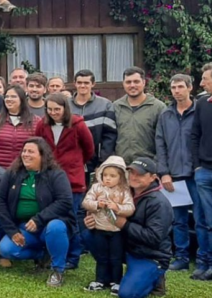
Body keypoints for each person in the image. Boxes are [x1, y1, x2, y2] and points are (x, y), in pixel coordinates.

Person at [82, 157, 173, 298]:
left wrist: (124, 224)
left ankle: (156, 278)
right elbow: (89, 204)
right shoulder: (122, 189)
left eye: (140, 174)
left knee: (127, 293)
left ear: (153, 177)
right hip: (125, 245)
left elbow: (154, 238)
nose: (134, 177)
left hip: (149, 255)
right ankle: (106, 277)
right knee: (89, 235)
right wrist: (91, 220)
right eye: (132, 172)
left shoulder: (159, 203)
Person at [0, 137, 74, 287]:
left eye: (31, 151)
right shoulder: (12, 173)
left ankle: (57, 270)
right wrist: (12, 231)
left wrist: (39, 219)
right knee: (6, 250)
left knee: (56, 227)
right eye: (24, 151)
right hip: (24, 228)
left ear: (42, 156)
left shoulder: (56, 174)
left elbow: (65, 201)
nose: (25, 154)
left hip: (48, 226)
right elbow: (0, 201)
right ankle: (43, 255)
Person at [35, 92, 94, 270]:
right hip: (47, 178)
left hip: (72, 180)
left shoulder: (78, 125)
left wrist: (75, 163)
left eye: (57, 109)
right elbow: (37, 146)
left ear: (65, 108)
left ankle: (73, 257)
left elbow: (89, 149)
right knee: (48, 217)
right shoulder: (42, 125)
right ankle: (48, 253)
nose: (53, 112)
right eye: (50, 109)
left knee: (72, 219)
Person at [155, 74, 203, 272]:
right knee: (178, 220)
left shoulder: (201, 111)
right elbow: (160, 144)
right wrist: (164, 172)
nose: (177, 91)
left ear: (190, 88)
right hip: (173, 175)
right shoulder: (165, 115)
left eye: (180, 87)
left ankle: (203, 259)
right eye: (173, 87)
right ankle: (181, 258)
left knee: (202, 220)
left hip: (197, 174)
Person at [80, 156, 135, 294]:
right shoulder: (96, 188)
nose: (108, 179)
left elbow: (130, 208)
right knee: (101, 257)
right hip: (99, 229)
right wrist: (97, 204)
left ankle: (116, 281)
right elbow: (85, 202)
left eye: (112, 176)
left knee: (116, 258)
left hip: (116, 231)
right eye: (105, 175)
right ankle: (100, 280)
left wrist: (117, 207)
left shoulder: (124, 191)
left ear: (121, 177)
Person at [69, 69, 117, 183]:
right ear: (74, 84)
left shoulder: (105, 105)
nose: (82, 86)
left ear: (93, 84)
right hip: (71, 162)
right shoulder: (65, 105)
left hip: (95, 162)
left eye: (86, 83)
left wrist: (102, 162)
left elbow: (109, 136)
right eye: (79, 83)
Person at [114, 67, 166, 163]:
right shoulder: (116, 107)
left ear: (144, 82)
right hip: (121, 166)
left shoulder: (158, 107)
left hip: (148, 167)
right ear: (123, 84)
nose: (132, 85)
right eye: (128, 82)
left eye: (136, 81)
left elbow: (164, 140)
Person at [0, 86, 39, 169]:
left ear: (22, 100)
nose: (9, 99)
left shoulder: (35, 121)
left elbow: (42, 147)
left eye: (13, 96)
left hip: (26, 170)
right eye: (6, 96)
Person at [192, 63, 212, 280]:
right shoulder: (202, 103)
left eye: (205, 78)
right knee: (206, 220)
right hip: (204, 171)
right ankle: (205, 262)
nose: (201, 83)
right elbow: (194, 135)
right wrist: (197, 165)